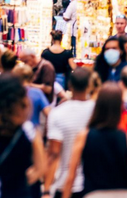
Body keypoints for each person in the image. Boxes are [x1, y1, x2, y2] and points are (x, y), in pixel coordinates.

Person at [61, 82, 127, 198]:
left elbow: (71, 175)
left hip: (94, 194)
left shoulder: (84, 136)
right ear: (119, 107)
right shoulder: (123, 137)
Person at [44, 67, 95, 198]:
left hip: (63, 183)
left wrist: (46, 190)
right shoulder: (97, 111)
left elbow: (54, 154)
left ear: (70, 85)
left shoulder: (57, 113)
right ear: (90, 85)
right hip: (92, 184)